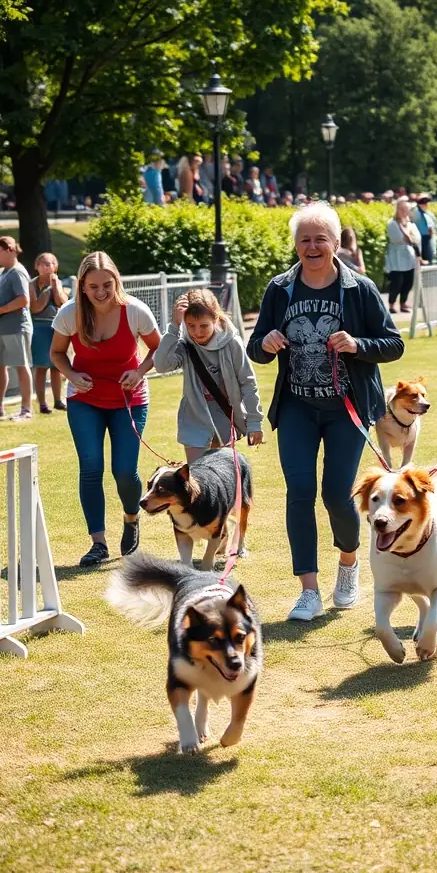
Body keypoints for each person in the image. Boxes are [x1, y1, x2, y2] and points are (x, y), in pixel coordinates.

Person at [247, 202, 404, 621]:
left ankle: (349, 563)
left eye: (321, 239)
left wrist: (358, 345)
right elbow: (255, 346)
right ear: (296, 245)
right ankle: (308, 591)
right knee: (299, 494)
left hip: (346, 410)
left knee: (336, 494)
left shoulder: (359, 289)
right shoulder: (280, 289)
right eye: (305, 240)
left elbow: (393, 343)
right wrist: (265, 343)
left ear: (336, 243)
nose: (312, 246)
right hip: (297, 406)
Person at [50, 252, 161, 567]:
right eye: (93, 286)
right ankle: (98, 543)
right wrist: (71, 374)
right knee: (91, 466)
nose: (100, 292)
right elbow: (57, 353)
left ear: (117, 281)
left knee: (125, 470)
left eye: (107, 285)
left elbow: (157, 348)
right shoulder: (69, 314)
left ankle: (131, 518)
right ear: (82, 287)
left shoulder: (135, 310)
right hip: (85, 400)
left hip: (129, 398)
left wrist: (139, 371)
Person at [153, 289, 263, 462]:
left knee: (220, 476)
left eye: (204, 325)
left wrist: (254, 422)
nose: (197, 332)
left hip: (224, 415)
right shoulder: (185, 345)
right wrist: (174, 327)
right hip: (195, 417)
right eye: (190, 325)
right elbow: (160, 365)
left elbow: (247, 382)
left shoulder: (232, 342)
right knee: (197, 476)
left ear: (216, 319)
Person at [0, 236, 33, 421]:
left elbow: (24, 299)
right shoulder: (2, 273)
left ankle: (26, 409)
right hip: (0, 329)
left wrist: (1, 310)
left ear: (10, 250)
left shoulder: (17, 272)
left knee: (21, 366)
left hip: (16, 327)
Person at [29, 252, 68, 414]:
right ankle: (42, 403)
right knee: (41, 366)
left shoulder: (57, 283)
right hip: (39, 327)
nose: (48, 266)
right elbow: (35, 308)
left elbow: (62, 303)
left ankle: (58, 400)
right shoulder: (32, 284)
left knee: (56, 366)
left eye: (51, 263)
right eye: (44, 264)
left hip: (56, 327)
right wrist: (47, 291)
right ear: (37, 267)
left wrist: (56, 287)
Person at [384, 197, 420, 314]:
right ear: (397, 210)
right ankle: (391, 304)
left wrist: (408, 237)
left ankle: (403, 303)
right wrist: (407, 237)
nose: (404, 211)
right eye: (402, 209)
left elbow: (416, 239)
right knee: (397, 282)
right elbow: (397, 239)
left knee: (408, 282)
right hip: (396, 258)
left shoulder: (410, 224)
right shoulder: (392, 223)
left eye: (406, 209)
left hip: (409, 257)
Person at [412, 195, 437, 264]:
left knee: (429, 256)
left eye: (426, 203)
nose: (425, 204)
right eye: (422, 202)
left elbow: (434, 225)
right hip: (419, 237)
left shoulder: (429, 213)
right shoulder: (415, 212)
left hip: (428, 238)